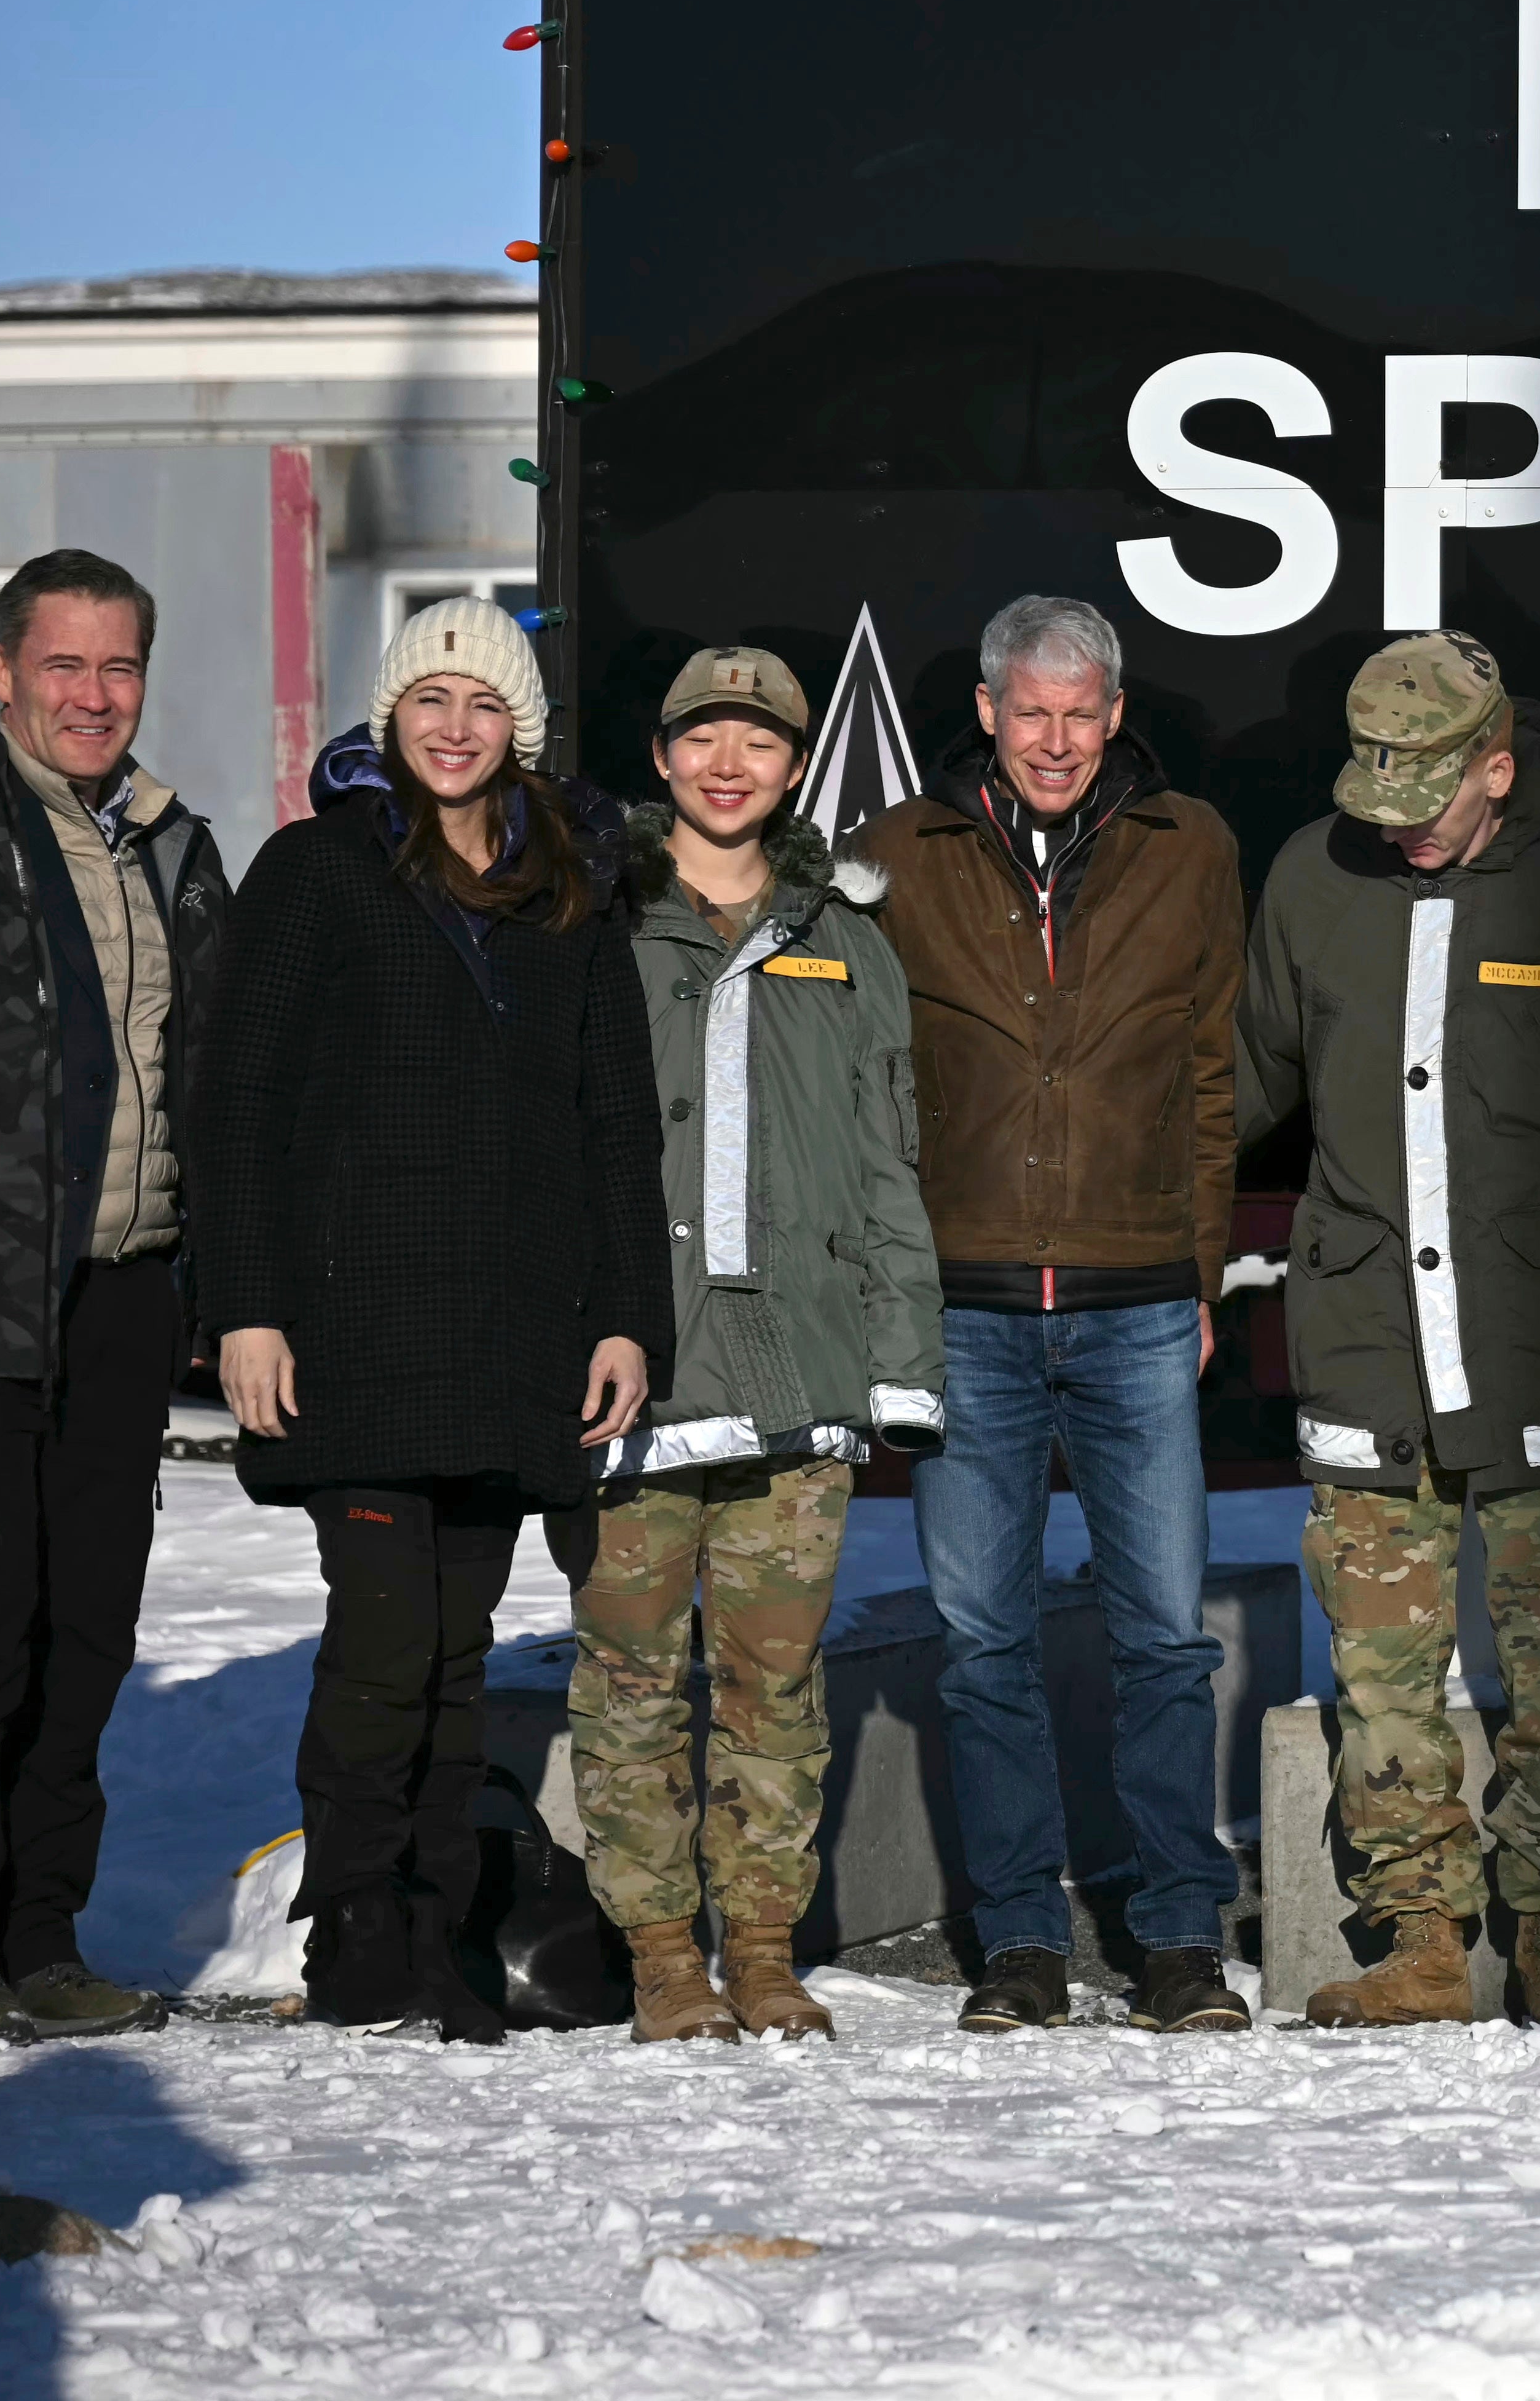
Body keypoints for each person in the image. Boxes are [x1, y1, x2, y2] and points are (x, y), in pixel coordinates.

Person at [194, 600, 666, 2036]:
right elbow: (242, 1104)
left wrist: (626, 1317)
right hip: (357, 1329)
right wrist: (248, 1310)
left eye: (480, 704)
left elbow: (616, 1129)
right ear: (392, 720)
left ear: (515, 725)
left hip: (513, 1334)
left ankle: (444, 1932)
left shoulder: (571, 884)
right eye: (426, 702)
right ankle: (355, 1933)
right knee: (385, 1641)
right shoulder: (318, 867)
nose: (453, 729)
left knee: (461, 1656)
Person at [1246, 633, 1540, 2031]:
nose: (1397, 828)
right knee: (1380, 1659)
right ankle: (1419, 1933)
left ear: (1496, 767)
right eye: (1374, 798)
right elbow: (1247, 1082)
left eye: (1424, 799)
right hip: (1372, 1328)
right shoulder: (1315, 876)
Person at [851, 594, 1250, 2033]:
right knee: (984, 1639)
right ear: (987, 711)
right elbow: (861, 1079)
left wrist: (1200, 1272)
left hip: (1140, 1296)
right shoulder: (900, 853)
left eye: (1083, 713)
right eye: (1034, 713)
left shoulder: (1188, 845)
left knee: (1161, 1634)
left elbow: (1211, 1074)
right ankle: (1019, 1939)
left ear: (1117, 714)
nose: (1059, 741)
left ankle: (1182, 1938)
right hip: (966, 1310)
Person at [0, 550, 234, 2042]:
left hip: (124, 1292)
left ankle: (44, 1930)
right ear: (5, 670)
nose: (94, 697)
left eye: (121, 668)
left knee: (88, 1623)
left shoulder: (166, 840)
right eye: (65, 667)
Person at [573, 645, 946, 2044]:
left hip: (800, 1368)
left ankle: (767, 1947)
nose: (730, 766)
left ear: (797, 768)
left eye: (761, 743)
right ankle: (664, 1953)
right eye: (703, 739)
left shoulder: (847, 938)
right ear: (663, 757)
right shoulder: (597, 920)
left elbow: (889, 1160)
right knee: (625, 1678)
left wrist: (900, 1359)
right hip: (639, 1376)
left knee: (774, 1685)